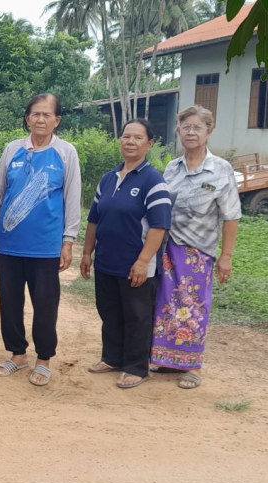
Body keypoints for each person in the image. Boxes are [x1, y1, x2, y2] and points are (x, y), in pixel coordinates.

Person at [0, 94, 82, 387]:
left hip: (46, 245)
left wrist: (68, 240)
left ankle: (43, 358)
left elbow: (72, 198)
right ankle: (18, 354)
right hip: (9, 245)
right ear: (27, 118)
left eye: (46, 115)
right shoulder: (12, 149)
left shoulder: (66, 153)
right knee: (10, 302)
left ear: (57, 120)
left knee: (45, 304)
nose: (40, 120)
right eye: (35, 114)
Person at [150, 106, 241, 389]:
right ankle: (167, 360)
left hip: (198, 252)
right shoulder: (172, 167)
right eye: (185, 127)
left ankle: (193, 367)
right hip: (167, 248)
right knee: (166, 304)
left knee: (193, 306)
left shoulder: (220, 169)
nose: (190, 132)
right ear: (179, 131)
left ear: (209, 132)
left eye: (197, 127)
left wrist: (226, 256)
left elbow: (231, 215)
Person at [80, 119, 172, 389]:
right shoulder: (109, 178)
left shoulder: (153, 180)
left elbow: (159, 226)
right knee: (109, 311)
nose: (130, 142)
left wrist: (143, 262)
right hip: (106, 261)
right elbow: (94, 219)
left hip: (136, 265)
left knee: (137, 315)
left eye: (137, 138)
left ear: (149, 144)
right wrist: (87, 253)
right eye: (125, 136)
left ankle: (136, 367)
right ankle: (112, 357)